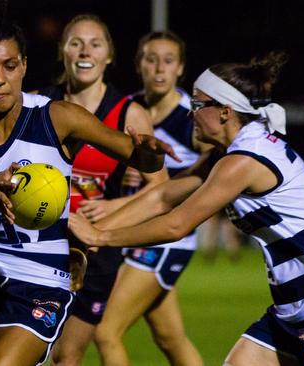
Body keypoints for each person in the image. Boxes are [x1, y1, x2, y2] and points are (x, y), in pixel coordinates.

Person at [0, 2, 173, 365]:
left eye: (10, 66)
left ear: (24, 66)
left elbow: (138, 156)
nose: (0, 79)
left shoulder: (58, 117)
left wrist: (152, 153)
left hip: (39, 280)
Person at [69, 51, 304, 365]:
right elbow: (161, 197)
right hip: (293, 310)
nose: (191, 114)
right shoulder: (231, 153)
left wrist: (100, 238)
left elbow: (177, 225)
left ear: (224, 112)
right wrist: (92, 235)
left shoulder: (242, 161)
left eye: (198, 105)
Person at [35, 15, 170, 366]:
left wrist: (112, 208)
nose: (85, 50)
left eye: (95, 43)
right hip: (39, 242)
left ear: (109, 55)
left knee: (67, 355)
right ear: (63, 51)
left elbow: (161, 190)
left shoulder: (129, 113)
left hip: (93, 254)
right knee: (31, 348)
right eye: (75, 42)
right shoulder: (36, 103)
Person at [88, 31, 207, 366]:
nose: (159, 68)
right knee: (170, 338)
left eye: (168, 61)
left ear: (180, 68)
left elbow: (210, 178)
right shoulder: (128, 109)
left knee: (105, 332)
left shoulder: (193, 118)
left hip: (167, 238)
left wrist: (123, 201)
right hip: (136, 231)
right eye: (150, 59)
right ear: (138, 64)